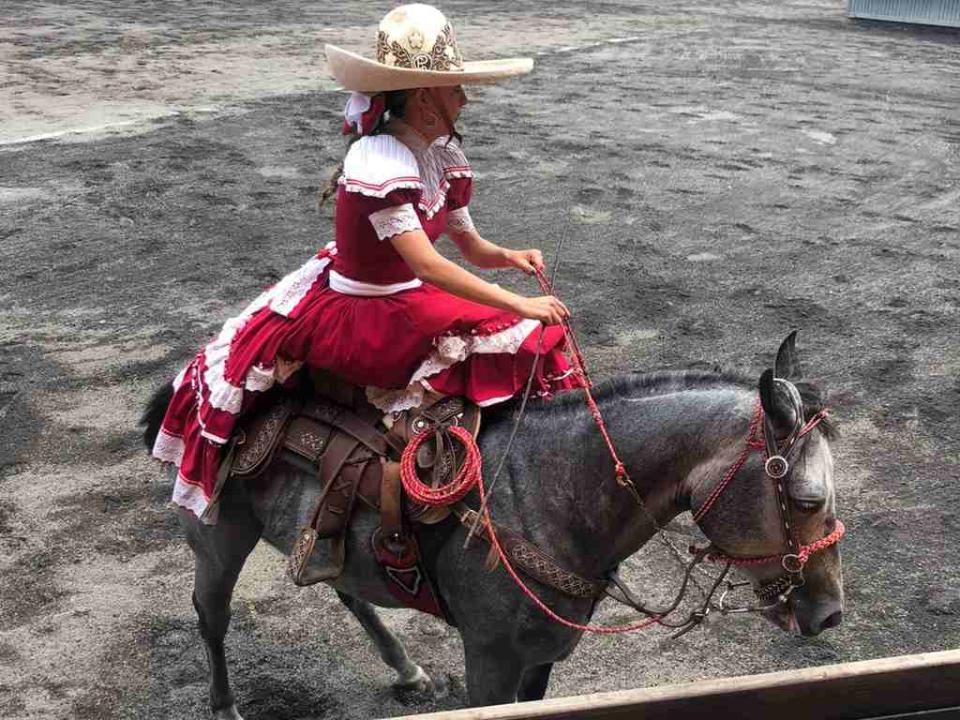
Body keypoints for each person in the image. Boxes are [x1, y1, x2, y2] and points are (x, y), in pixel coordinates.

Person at [152, 3, 584, 519]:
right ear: (426, 99)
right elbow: (428, 266)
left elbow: (468, 247)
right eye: (455, 90)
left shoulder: (439, 155)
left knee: (522, 332)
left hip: (404, 293)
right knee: (521, 330)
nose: (464, 99)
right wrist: (522, 302)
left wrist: (510, 257)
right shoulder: (379, 161)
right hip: (366, 310)